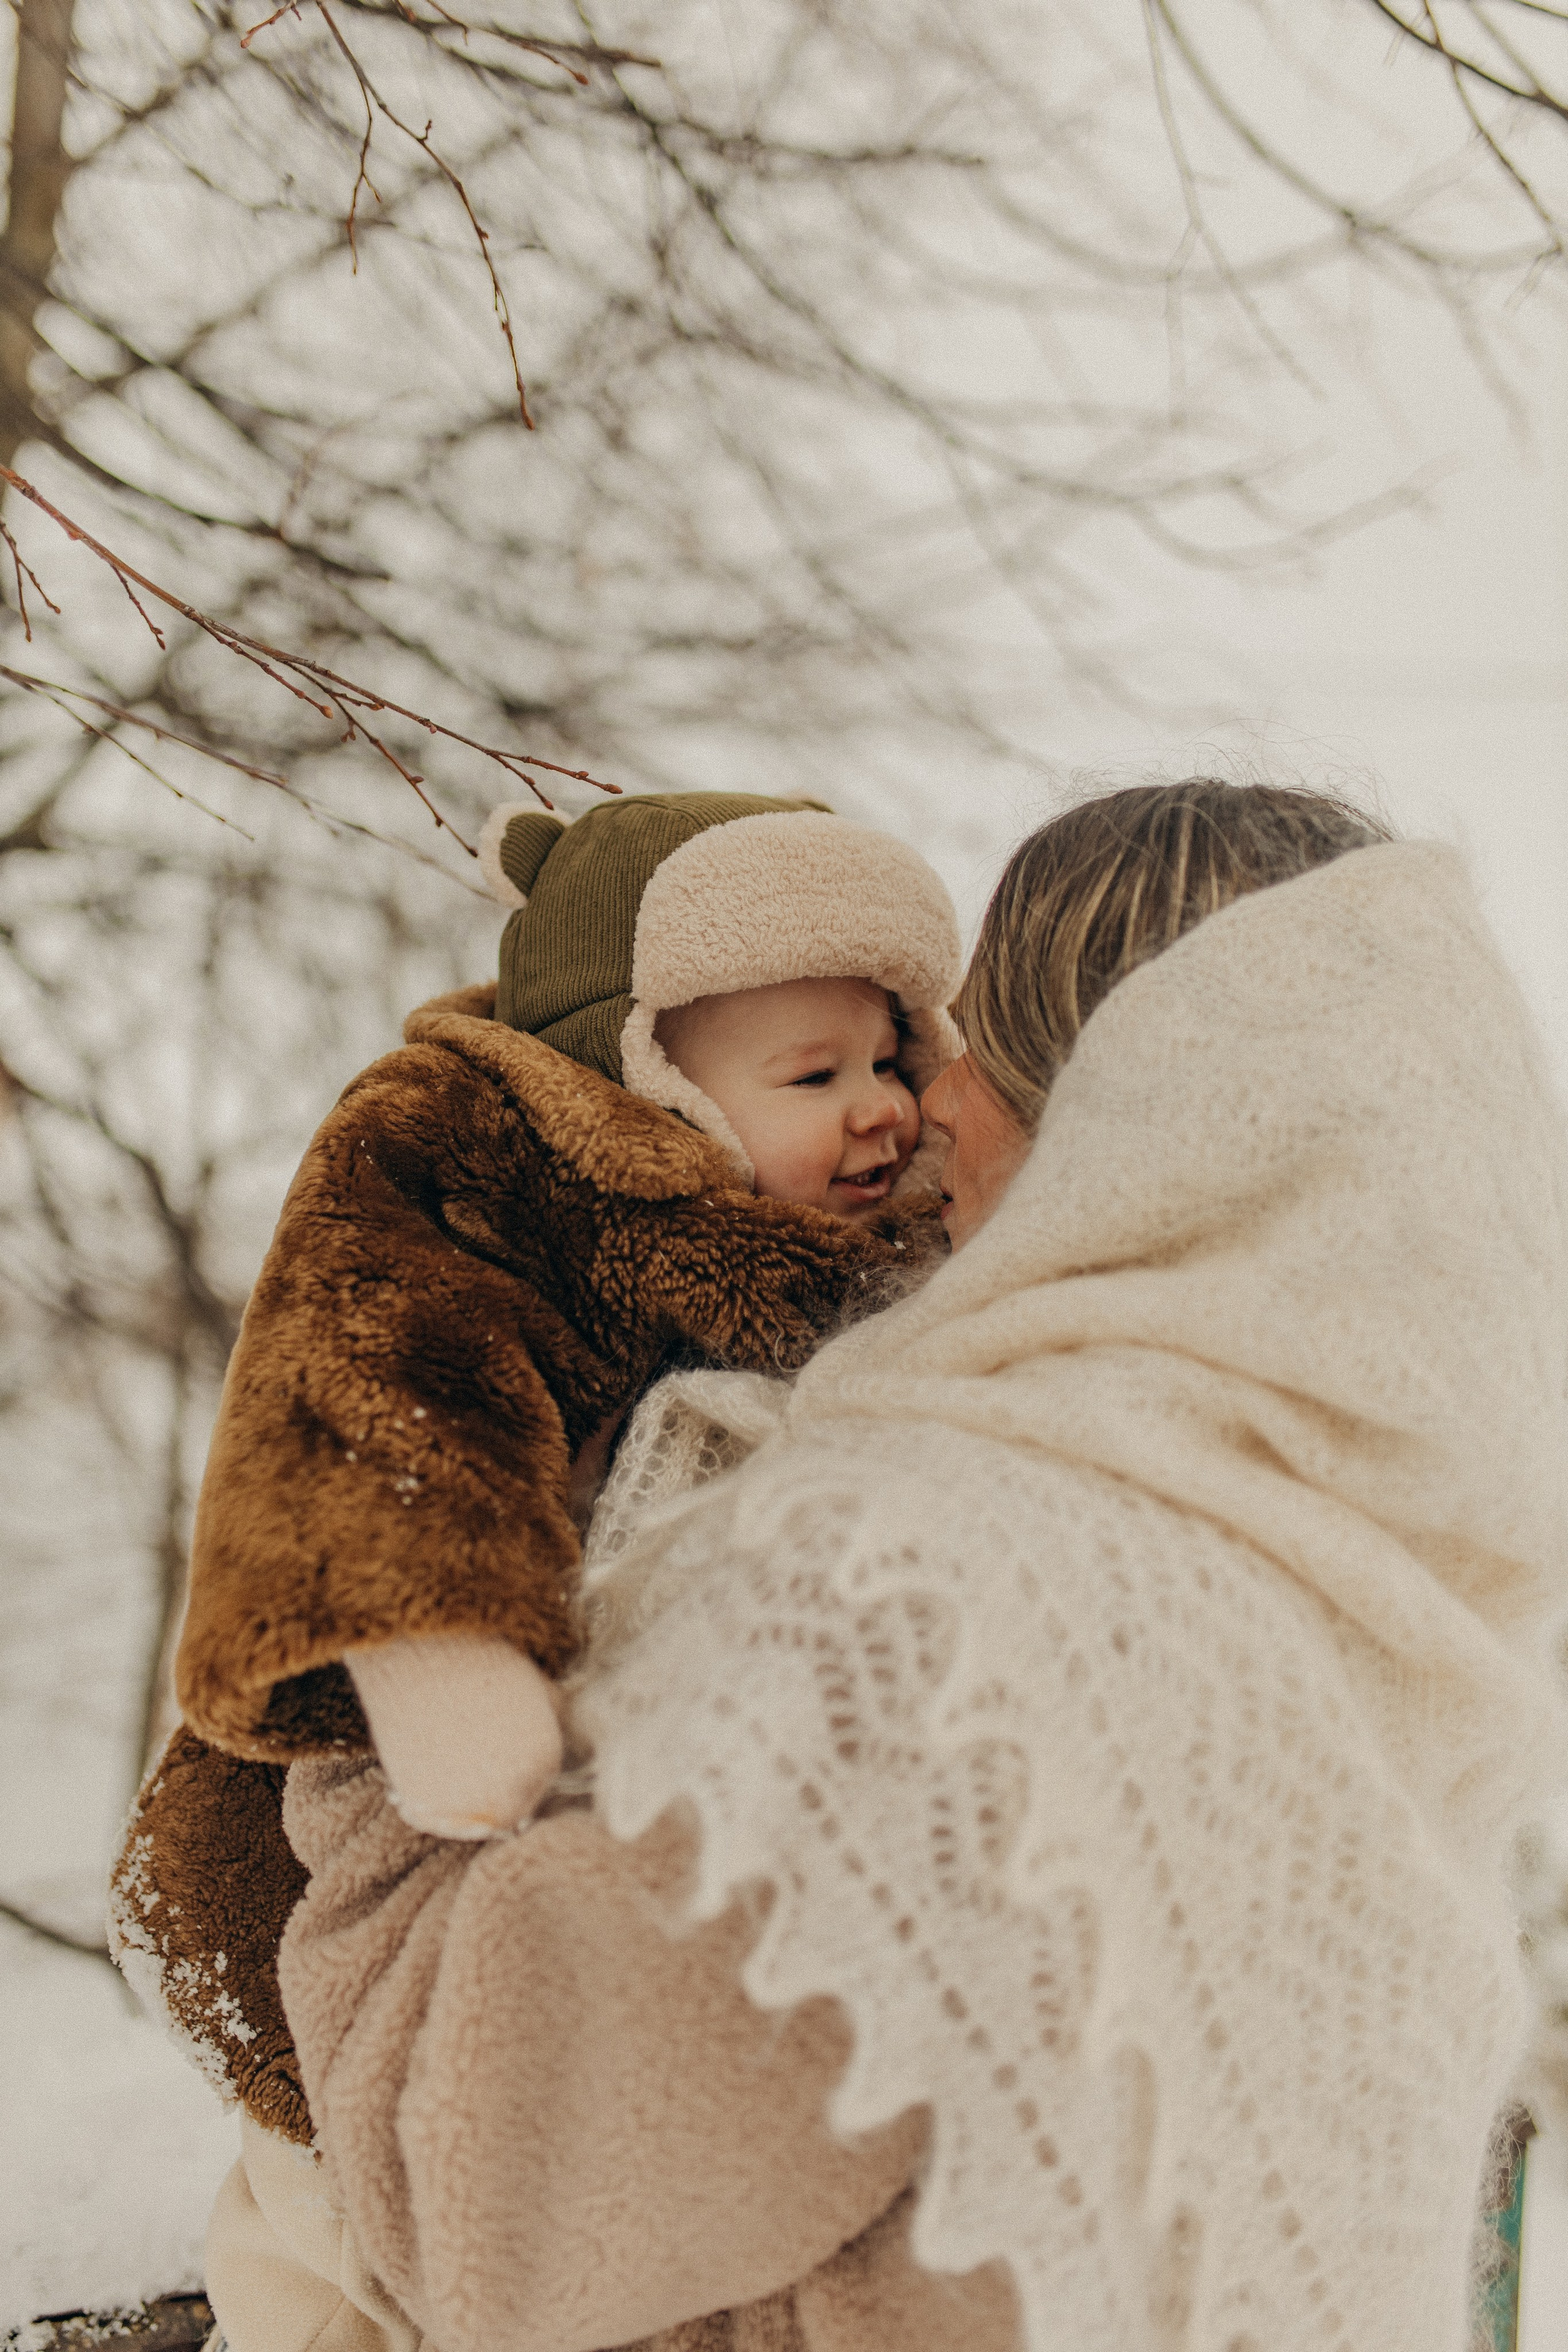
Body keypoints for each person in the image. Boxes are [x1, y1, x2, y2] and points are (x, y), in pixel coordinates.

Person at [219, 782, 1568, 2352]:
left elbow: (485, 2210)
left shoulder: (932, 1602)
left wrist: (370, 1740)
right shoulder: (1378, 1554)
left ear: (1138, 1099)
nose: (929, 1104)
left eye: (967, 1034)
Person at [110, 788, 961, 2146]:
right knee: (348, 2158)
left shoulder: (890, 1256)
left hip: (657, 1840)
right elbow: (370, 1378)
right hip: (380, 1781)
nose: (878, 1113)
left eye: (890, 1063)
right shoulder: (492, 1162)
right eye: (813, 1078)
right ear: (641, 1072)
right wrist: (431, 1645)